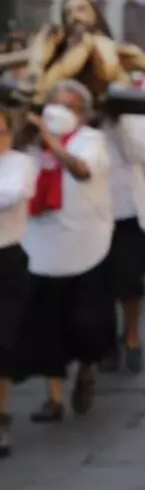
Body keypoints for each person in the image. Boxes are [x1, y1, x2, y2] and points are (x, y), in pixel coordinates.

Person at [17, 80, 115, 422]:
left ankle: (86, 369)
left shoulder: (92, 141)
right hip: (41, 242)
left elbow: (81, 171)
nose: (59, 111)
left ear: (83, 114)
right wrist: (26, 130)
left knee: (85, 321)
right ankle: (54, 397)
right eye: (53, 104)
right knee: (45, 324)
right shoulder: (31, 145)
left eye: (69, 106)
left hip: (85, 243)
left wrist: (52, 141)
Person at [100, 92, 145, 374]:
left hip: (129, 211)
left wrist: (119, 126)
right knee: (99, 287)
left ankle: (132, 336)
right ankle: (105, 344)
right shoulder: (81, 122)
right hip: (94, 215)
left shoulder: (139, 119)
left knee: (129, 282)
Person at [0, 109, 36, 456]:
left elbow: (9, 195)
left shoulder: (20, 164)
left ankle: (1, 415)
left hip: (6, 258)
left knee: (3, 341)